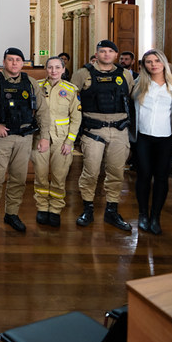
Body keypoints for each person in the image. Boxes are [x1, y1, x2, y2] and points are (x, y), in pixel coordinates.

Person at [0, 48, 50, 233]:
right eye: (10, 60)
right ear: (4, 62)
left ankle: (11, 214)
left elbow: (43, 111)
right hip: (1, 138)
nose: (14, 63)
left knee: (18, 179)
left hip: (24, 137)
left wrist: (44, 137)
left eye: (18, 60)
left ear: (23, 63)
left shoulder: (30, 83)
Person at [72, 39, 135, 231]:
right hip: (93, 130)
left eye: (110, 51)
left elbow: (130, 99)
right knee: (90, 171)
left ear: (116, 55)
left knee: (116, 172)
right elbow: (73, 102)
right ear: (96, 54)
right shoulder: (83, 74)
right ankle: (88, 208)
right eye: (102, 51)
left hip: (119, 130)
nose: (106, 54)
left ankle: (112, 210)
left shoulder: (125, 74)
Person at [132, 49, 172, 235]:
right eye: (149, 61)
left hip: (166, 139)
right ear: (144, 65)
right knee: (143, 175)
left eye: (157, 61)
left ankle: (155, 217)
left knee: (161, 177)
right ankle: (143, 215)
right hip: (142, 138)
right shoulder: (138, 83)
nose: (153, 64)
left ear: (164, 62)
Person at [31, 56, 81, 228]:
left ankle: (55, 210)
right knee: (41, 175)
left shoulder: (71, 89)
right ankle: (42, 207)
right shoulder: (36, 86)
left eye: (57, 67)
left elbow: (76, 118)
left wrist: (70, 141)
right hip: (40, 138)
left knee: (59, 177)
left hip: (62, 140)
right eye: (50, 67)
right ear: (46, 69)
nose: (53, 71)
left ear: (63, 69)